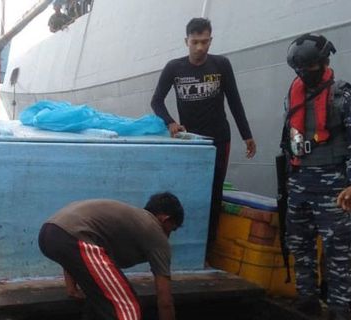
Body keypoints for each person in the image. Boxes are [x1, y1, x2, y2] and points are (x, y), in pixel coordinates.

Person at [150, 17, 256, 248]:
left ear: (211, 40)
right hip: (191, 141)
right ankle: (182, 241)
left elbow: (235, 101)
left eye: (205, 42)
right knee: (187, 189)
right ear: (186, 41)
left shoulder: (221, 65)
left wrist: (246, 135)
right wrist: (170, 122)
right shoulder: (174, 68)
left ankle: (208, 246)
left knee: (214, 191)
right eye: (195, 42)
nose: (200, 47)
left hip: (219, 138)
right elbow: (156, 101)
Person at [281, 33, 351, 320]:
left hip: (334, 184)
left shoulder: (341, 95)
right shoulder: (294, 92)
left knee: (339, 250)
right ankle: (307, 299)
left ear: (323, 62)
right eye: (299, 69)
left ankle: (340, 307)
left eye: (308, 67)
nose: (303, 74)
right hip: (300, 181)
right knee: (300, 244)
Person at [39, 192, 184, 320]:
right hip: (70, 238)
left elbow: (75, 254)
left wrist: (72, 288)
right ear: (166, 219)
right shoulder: (155, 232)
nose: (169, 236)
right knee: (128, 307)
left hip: (48, 234)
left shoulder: (131, 221)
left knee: (100, 302)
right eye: (173, 229)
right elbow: (165, 300)